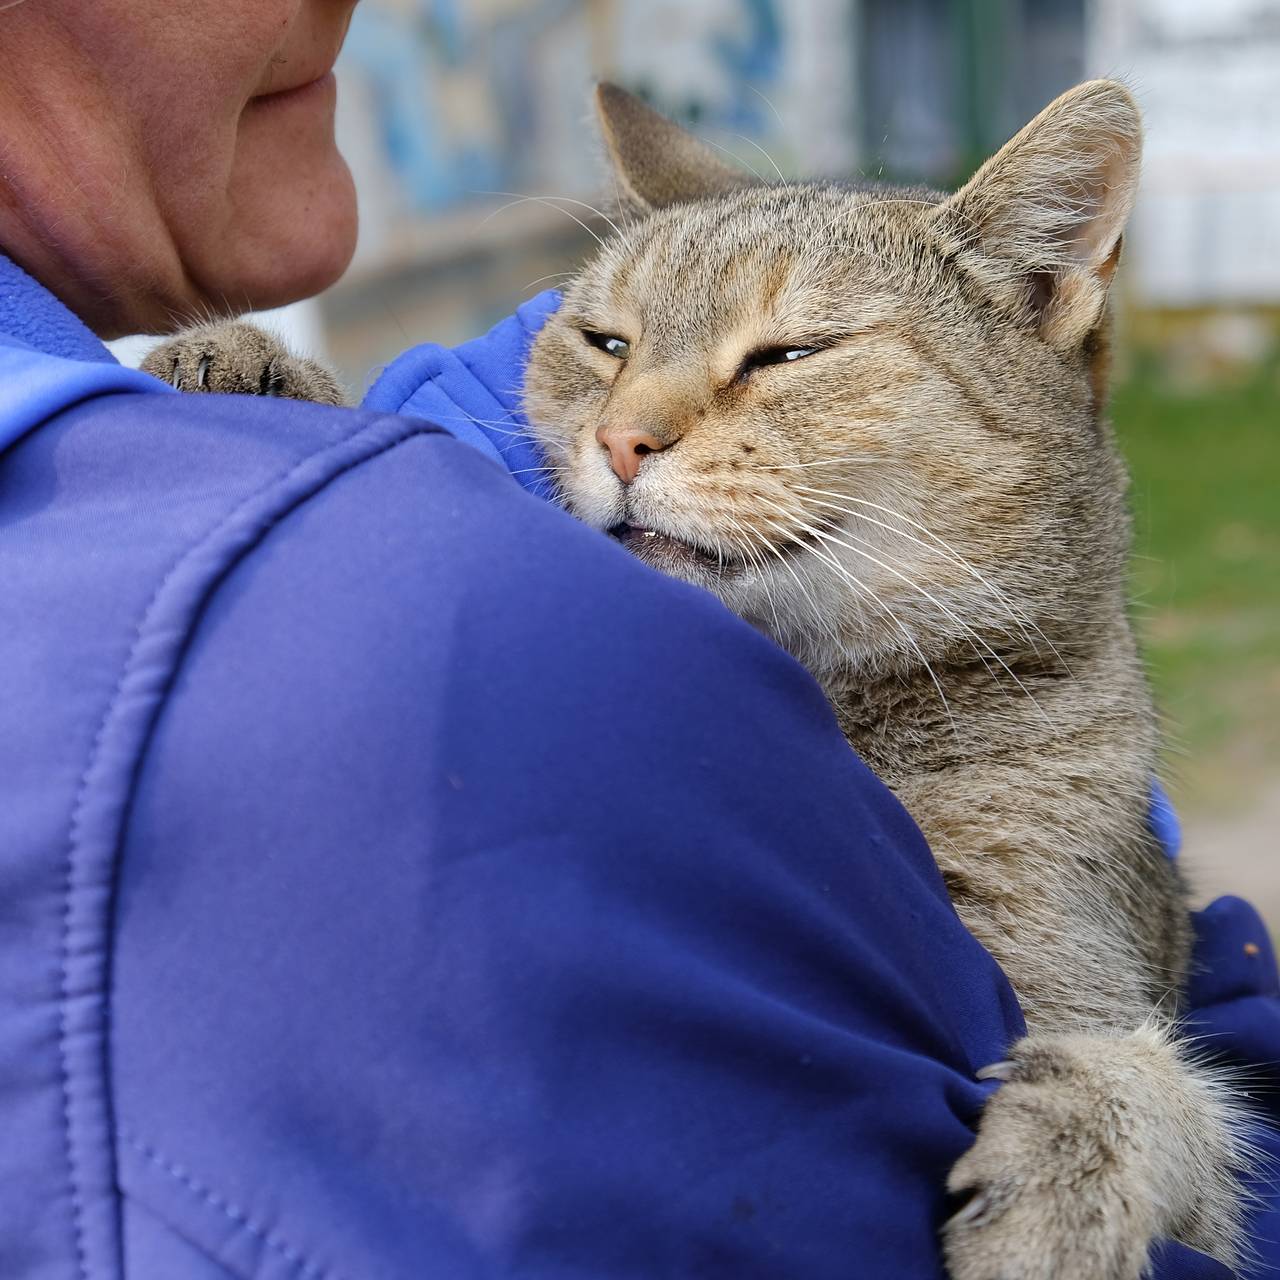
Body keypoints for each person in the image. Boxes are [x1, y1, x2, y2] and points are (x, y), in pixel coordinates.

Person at [1, 3, 1277, 1277]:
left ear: (1041, 297)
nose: (631, 426)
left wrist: (1132, 1102)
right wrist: (302, 466)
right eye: (601, 344)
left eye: (784, 353)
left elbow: (1119, 1070)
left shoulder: (1048, 748)